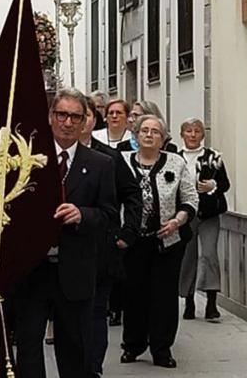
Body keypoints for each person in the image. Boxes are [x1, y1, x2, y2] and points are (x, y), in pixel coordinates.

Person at [13, 88, 117, 378]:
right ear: (50, 117)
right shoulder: (27, 160)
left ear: (86, 121)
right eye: (62, 115)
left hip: (75, 271)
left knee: (74, 348)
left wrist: (83, 214)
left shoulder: (100, 164)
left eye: (75, 116)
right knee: (29, 344)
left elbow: (110, 215)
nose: (68, 123)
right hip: (32, 272)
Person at [120, 115, 198, 369]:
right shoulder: (121, 162)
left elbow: (190, 197)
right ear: (136, 134)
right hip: (133, 243)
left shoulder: (175, 163)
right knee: (134, 295)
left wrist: (178, 220)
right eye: (144, 130)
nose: (149, 135)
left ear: (163, 138)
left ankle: (161, 348)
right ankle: (133, 345)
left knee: (164, 297)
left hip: (168, 241)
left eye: (155, 131)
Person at [81, 97, 142, 377]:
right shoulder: (46, 153)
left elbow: (132, 194)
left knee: (96, 312)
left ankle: (92, 369)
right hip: (60, 253)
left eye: (86, 115)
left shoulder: (109, 157)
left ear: (94, 120)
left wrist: (127, 231)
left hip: (100, 249)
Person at [177, 118, 231, 321]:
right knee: (187, 257)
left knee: (209, 254)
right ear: (182, 134)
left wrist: (213, 185)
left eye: (197, 131)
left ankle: (211, 303)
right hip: (185, 215)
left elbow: (225, 184)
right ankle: (189, 301)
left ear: (203, 135)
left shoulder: (213, 157)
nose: (192, 135)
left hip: (209, 214)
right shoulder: (175, 157)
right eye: (188, 131)